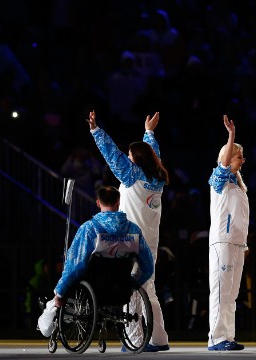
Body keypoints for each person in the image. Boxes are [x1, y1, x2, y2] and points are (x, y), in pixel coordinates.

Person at [87, 111, 171, 352]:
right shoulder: (157, 179)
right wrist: (149, 132)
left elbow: (111, 154)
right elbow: (153, 155)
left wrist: (95, 131)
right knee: (149, 287)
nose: (127, 156)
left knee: (130, 289)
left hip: (130, 241)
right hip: (150, 241)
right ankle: (159, 338)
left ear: (136, 159)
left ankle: (134, 340)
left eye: (130, 154)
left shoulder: (132, 176)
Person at [38, 186, 154, 336]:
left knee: (67, 285)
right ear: (118, 202)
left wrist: (59, 292)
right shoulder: (133, 230)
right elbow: (148, 266)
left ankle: (50, 312)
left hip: (93, 289)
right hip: (122, 289)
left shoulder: (89, 228)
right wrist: (133, 285)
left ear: (98, 203)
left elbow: (76, 265)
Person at [207, 115, 249, 351]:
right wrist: (231, 136)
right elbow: (223, 164)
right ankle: (216, 338)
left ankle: (227, 336)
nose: (243, 160)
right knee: (221, 291)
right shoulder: (219, 180)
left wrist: (244, 243)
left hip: (236, 244)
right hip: (222, 243)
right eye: (239, 156)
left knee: (231, 294)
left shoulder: (239, 186)